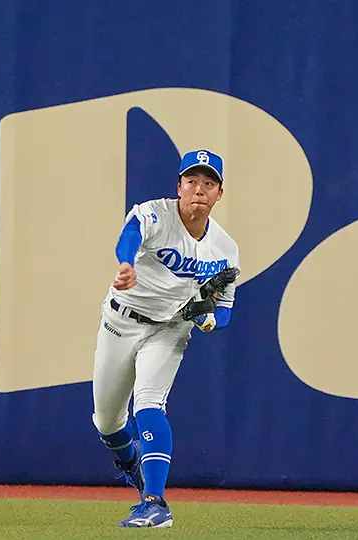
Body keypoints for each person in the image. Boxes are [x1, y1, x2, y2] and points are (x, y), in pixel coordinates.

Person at [90, 149, 240, 528]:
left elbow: (223, 311)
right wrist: (125, 263)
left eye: (209, 183)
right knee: (107, 421)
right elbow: (130, 236)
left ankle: (156, 503)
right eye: (191, 181)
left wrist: (207, 321)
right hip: (121, 321)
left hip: (170, 328)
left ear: (220, 194)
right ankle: (132, 466)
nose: (199, 190)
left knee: (149, 403)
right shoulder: (155, 213)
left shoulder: (226, 248)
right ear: (179, 186)